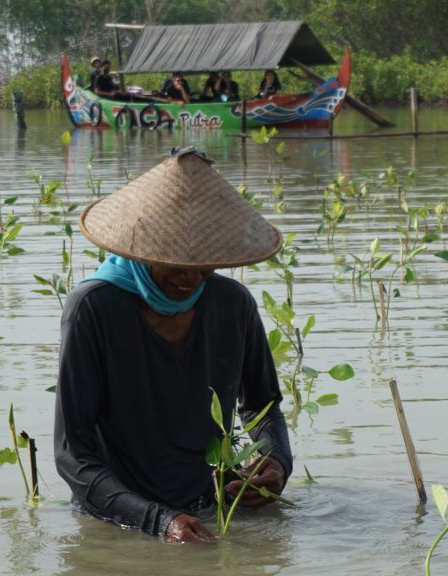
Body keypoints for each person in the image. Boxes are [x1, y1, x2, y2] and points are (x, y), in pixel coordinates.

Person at [55, 148, 292, 543]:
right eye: (175, 263)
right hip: (119, 517)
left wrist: (277, 462)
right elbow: (72, 456)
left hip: (210, 504)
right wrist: (158, 521)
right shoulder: (94, 308)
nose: (192, 278)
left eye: (204, 264)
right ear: (141, 250)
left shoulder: (233, 305)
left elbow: (261, 406)